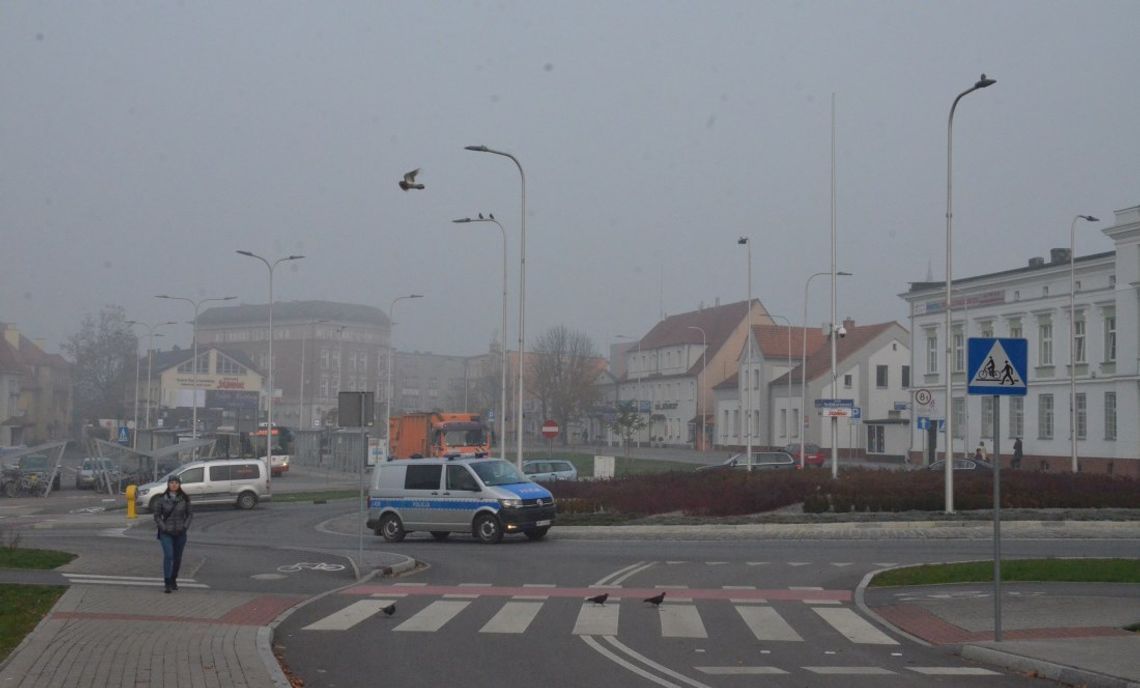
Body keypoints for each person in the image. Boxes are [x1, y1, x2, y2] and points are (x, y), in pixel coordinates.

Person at [154, 476, 192, 593]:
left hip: (180, 533)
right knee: (169, 556)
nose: (174, 485)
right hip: (166, 533)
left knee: (177, 558)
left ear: (179, 484)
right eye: (171, 482)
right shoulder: (161, 499)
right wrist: (164, 528)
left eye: (176, 483)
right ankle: (167, 583)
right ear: (168, 484)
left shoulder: (184, 498)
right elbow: (157, 516)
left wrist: (184, 527)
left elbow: (190, 515)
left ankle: (174, 579)